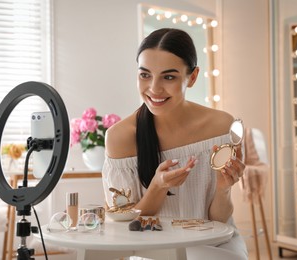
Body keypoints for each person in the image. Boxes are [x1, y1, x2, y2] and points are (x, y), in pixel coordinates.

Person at [102, 28, 248, 260]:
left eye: (169, 77)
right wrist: (157, 187)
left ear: (192, 76)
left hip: (215, 243)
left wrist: (223, 189)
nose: (154, 88)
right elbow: (124, 227)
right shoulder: (121, 137)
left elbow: (218, 222)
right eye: (145, 75)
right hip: (153, 248)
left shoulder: (221, 126)